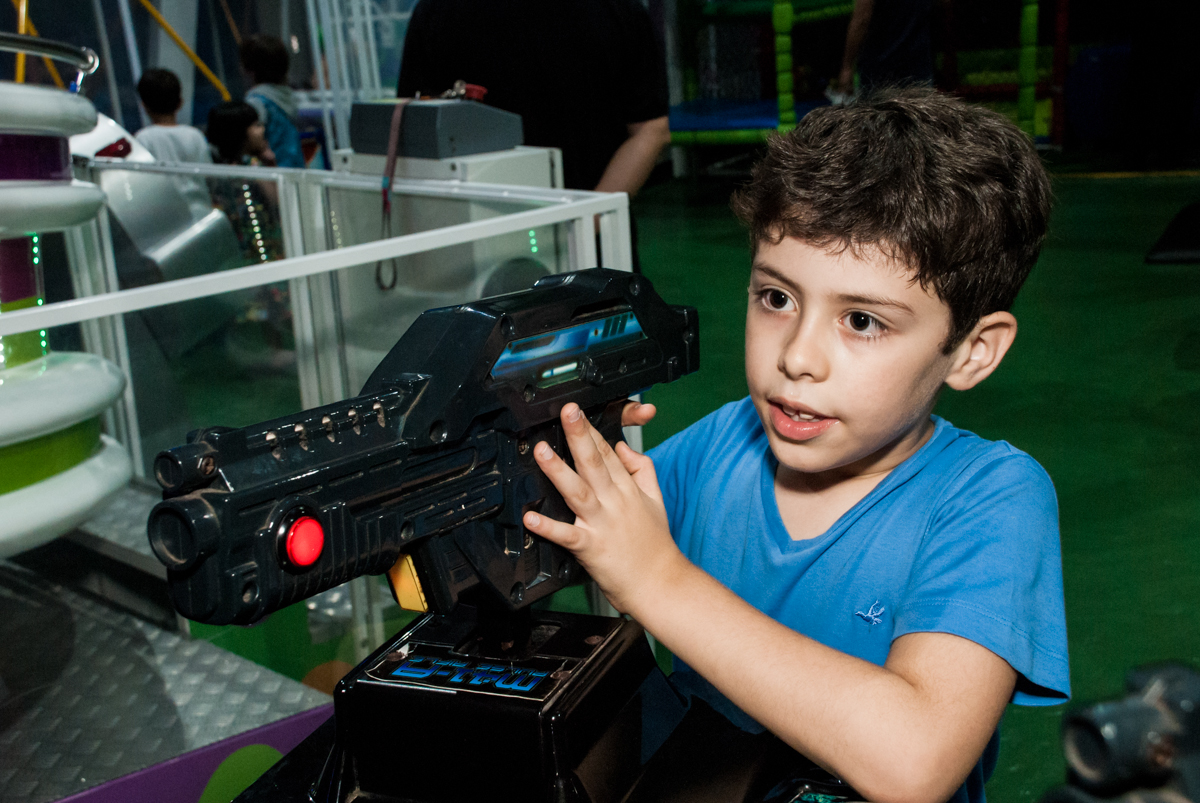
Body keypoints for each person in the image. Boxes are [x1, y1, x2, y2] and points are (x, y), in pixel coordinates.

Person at [521, 87, 1069, 803]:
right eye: (777, 298)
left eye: (863, 320)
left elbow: (915, 761)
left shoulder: (990, 498)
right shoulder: (725, 443)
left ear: (971, 350)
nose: (799, 356)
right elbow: (571, 540)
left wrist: (657, 578)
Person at [396, 0, 671, 270]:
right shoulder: (619, 9)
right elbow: (650, 129)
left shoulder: (437, 12)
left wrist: (582, 225)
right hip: (584, 247)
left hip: (486, 251)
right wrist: (579, 227)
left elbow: (413, 131)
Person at [135, 67, 213, 219]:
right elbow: (209, 176)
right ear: (180, 103)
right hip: (202, 213)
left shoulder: (143, 138)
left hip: (167, 218)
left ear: (144, 105)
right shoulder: (195, 135)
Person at [833, 0, 935, 98]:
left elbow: (861, 20)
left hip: (879, 72)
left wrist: (847, 67)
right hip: (918, 67)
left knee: (877, 112)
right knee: (919, 113)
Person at [240, 34, 305, 169]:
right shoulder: (287, 96)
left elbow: (252, 146)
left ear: (250, 69)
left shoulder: (256, 102)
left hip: (273, 172)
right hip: (296, 167)